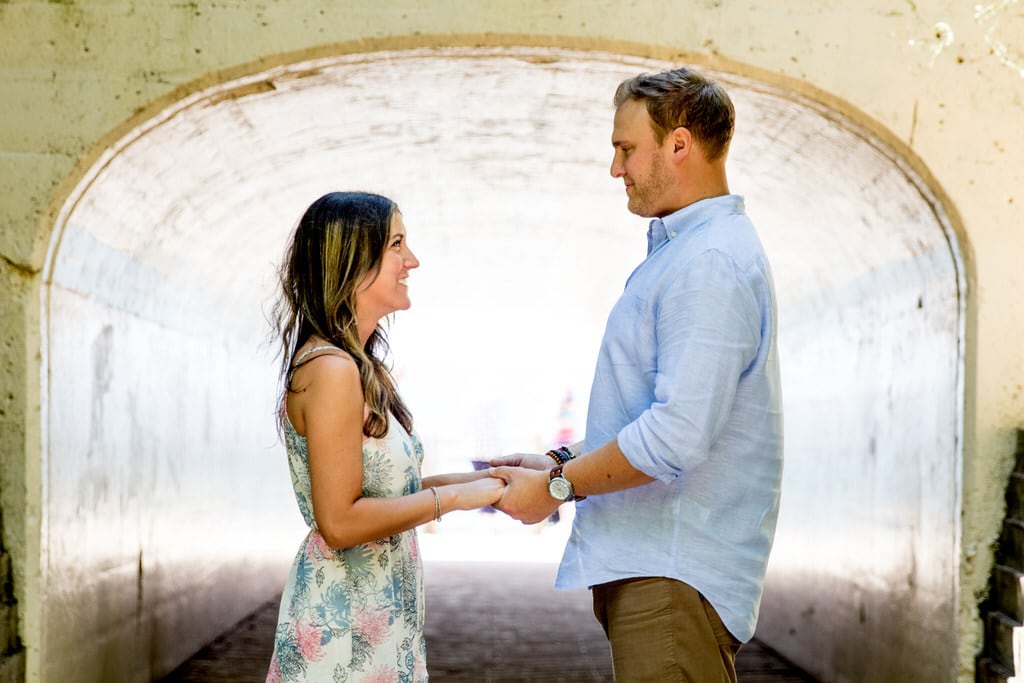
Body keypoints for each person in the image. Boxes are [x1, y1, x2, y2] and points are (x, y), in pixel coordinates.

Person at [491, 66, 784, 682]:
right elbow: (649, 415)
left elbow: (677, 435)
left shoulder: (709, 262)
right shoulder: (687, 252)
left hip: (672, 576)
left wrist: (558, 488)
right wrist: (558, 462)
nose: (615, 169)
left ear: (679, 144)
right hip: (660, 571)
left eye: (626, 149)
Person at [266, 191, 505, 683]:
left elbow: (391, 494)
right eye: (397, 245)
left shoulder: (352, 364)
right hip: (344, 631)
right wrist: (456, 498)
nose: (411, 261)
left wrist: (498, 480)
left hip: (375, 620)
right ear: (352, 263)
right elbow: (340, 521)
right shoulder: (331, 369)